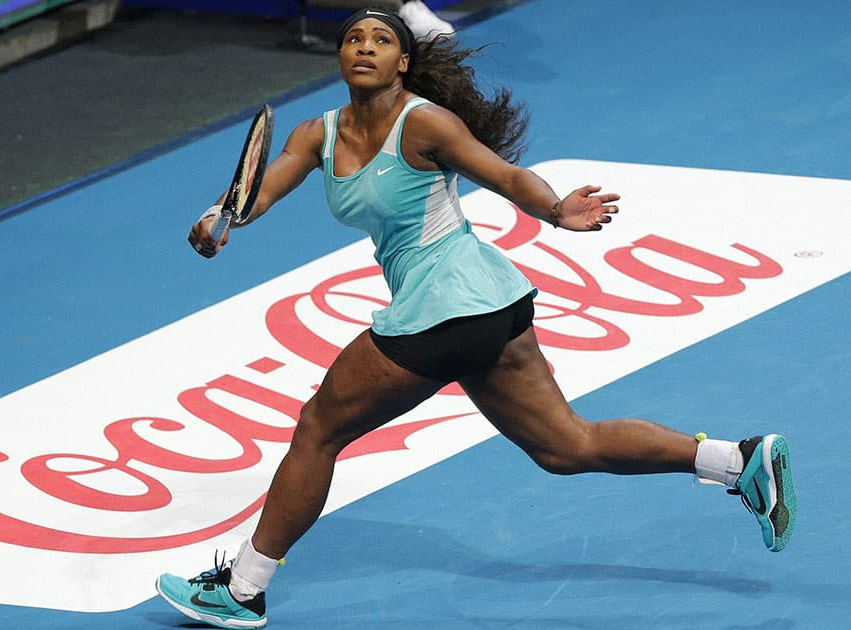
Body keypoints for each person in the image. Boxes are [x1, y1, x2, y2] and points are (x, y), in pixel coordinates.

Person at [156, 8, 797, 629]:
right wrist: (221, 219)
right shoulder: (314, 136)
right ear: (341, 56)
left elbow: (505, 175)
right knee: (564, 445)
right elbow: (255, 194)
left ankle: (243, 591)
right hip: (490, 305)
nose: (365, 47)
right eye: (354, 37)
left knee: (319, 428)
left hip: (445, 305)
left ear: (403, 62)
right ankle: (736, 461)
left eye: (381, 39)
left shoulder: (425, 123)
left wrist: (555, 211)